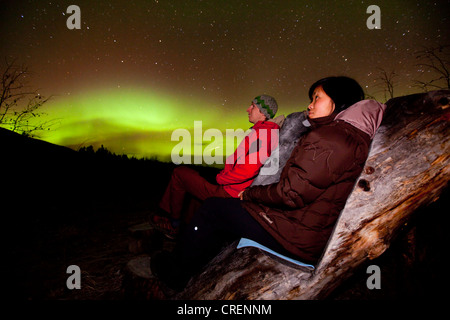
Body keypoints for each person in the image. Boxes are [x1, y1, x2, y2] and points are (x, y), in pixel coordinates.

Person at [150, 76, 386, 291]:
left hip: (295, 236)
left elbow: (291, 193)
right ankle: (191, 253)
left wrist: (249, 194)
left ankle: (177, 273)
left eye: (317, 98)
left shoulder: (330, 138)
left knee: (213, 208)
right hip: (301, 227)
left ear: (339, 102)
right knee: (214, 209)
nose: (310, 105)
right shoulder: (346, 136)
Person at [151, 95, 284, 238]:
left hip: (229, 190)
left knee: (179, 174)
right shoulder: (262, 131)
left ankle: (173, 225)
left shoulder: (264, 134)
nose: (248, 109)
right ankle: (187, 229)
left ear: (263, 113)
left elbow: (248, 170)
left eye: (252, 106)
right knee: (195, 184)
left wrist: (220, 179)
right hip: (230, 184)